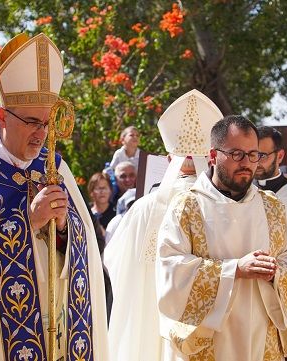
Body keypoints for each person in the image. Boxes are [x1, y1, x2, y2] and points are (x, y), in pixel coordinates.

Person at [0, 33, 108, 360]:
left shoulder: (54, 168)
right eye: (32, 122)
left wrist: (63, 227)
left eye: (47, 123)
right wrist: (27, 220)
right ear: (2, 117)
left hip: (56, 333)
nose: (42, 134)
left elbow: (85, 246)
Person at [157, 115, 287, 361]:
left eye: (254, 155)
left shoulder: (273, 207)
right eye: (237, 154)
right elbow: (170, 267)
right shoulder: (187, 206)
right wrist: (235, 269)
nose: (247, 163)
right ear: (213, 155)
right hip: (210, 338)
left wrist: (278, 272)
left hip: (262, 335)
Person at [104, 89, 221, 361]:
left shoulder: (143, 207)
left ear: (169, 160)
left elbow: (113, 259)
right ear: (212, 158)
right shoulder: (223, 208)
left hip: (150, 325)